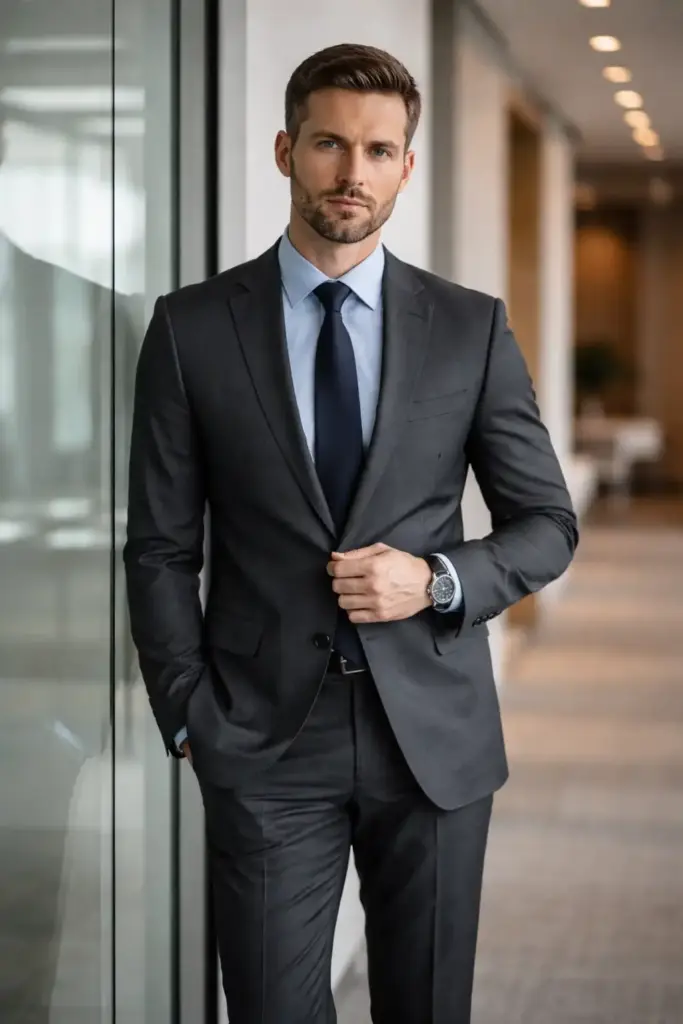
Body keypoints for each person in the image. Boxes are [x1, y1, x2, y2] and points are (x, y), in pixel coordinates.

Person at [124, 42, 578, 1024]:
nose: (351, 172)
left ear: (405, 167)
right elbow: (159, 545)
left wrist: (438, 578)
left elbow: (546, 522)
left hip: (435, 738)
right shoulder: (191, 329)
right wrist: (188, 713)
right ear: (286, 150)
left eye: (378, 150)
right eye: (329, 143)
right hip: (260, 736)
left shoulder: (469, 329)